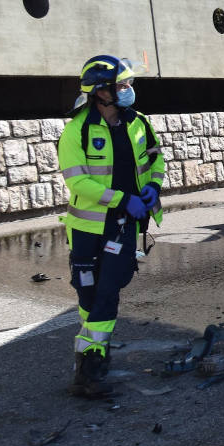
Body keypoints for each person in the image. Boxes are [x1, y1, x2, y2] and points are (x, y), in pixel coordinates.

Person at [57, 55, 165, 397]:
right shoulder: (77, 130)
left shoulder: (139, 123)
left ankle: (90, 368)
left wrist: (153, 187)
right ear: (101, 91)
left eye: (129, 84)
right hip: (88, 229)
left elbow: (156, 158)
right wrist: (121, 199)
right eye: (122, 85)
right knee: (88, 295)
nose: (129, 90)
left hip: (124, 225)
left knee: (107, 291)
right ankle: (89, 358)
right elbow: (79, 184)